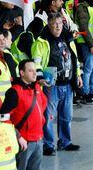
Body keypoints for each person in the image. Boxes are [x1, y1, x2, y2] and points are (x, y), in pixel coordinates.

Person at [31, 13, 82, 156]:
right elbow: (36, 61)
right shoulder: (41, 42)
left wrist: (78, 75)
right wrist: (40, 77)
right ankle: (48, 144)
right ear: (49, 24)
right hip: (51, 85)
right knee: (48, 116)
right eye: (54, 23)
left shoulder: (68, 38)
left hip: (68, 83)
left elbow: (74, 58)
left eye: (60, 23)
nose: (58, 26)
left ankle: (65, 142)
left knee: (67, 116)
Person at [0, 60, 47, 170]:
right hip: (24, 143)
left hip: (38, 139)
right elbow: (2, 118)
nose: (35, 73)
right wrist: (18, 136)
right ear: (22, 73)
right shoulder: (14, 92)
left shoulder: (36, 87)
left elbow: (43, 104)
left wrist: (41, 121)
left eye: (35, 70)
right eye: (30, 70)